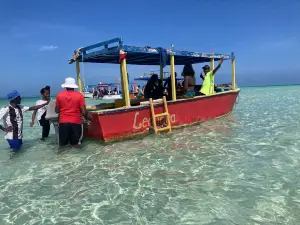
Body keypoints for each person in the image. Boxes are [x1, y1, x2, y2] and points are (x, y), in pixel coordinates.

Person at [55, 77, 92, 147]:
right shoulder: (79, 96)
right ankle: (77, 158)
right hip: (76, 122)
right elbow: (83, 112)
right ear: (74, 86)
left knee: (62, 146)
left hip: (63, 123)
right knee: (76, 145)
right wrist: (88, 119)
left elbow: (56, 111)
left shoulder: (59, 95)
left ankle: (61, 157)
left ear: (65, 86)